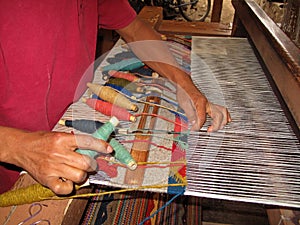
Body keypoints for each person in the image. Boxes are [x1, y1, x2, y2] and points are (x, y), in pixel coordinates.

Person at [0, 0, 231, 195]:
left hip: (75, 122)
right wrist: (18, 147)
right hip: (12, 175)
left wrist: (183, 83)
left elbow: (134, 29)